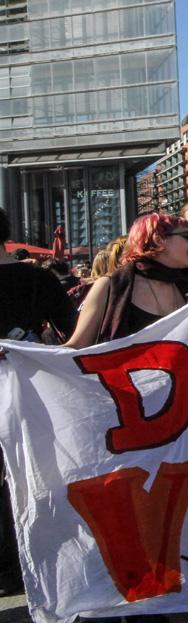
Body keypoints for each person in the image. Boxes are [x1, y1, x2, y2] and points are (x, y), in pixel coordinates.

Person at [65, 213, 188, 623]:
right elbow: (74, 349)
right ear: (156, 241)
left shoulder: (186, 289)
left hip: (167, 426)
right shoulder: (110, 287)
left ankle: (145, 614)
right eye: (184, 235)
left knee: (152, 519)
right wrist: (22, 357)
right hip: (113, 425)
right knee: (107, 523)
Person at [0, 208, 77, 596]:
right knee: (35, 474)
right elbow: (73, 334)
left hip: (22, 392)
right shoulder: (38, 279)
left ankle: (7, 568)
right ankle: (35, 557)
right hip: (32, 391)